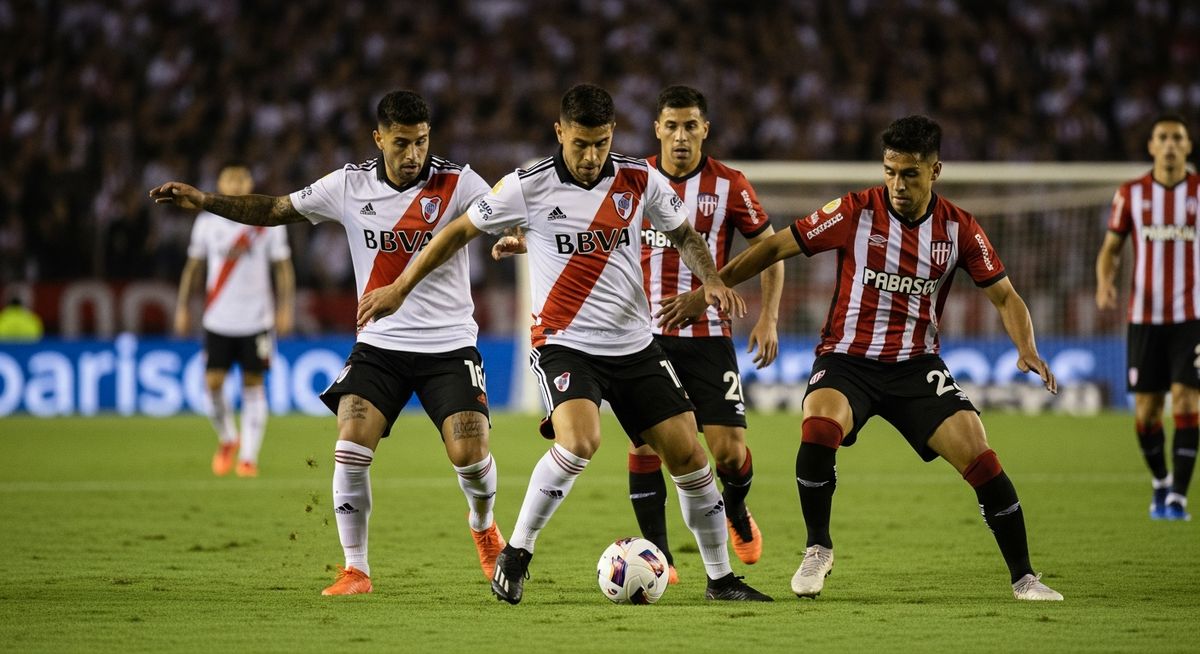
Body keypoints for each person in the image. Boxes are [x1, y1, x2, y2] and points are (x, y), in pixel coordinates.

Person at [358, 83, 773, 604]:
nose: (591, 156)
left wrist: (710, 279)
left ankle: (721, 580)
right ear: (560, 133)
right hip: (565, 342)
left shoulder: (639, 178)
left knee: (690, 454)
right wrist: (399, 288)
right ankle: (516, 554)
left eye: (601, 144)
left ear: (613, 134)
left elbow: (685, 235)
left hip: (634, 343)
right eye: (580, 144)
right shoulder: (526, 186)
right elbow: (458, 231)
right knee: (580, 441)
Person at [660, 115, 1064, 602]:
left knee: (980, 457)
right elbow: (774, 248)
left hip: (917, 365)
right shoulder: (854, 211)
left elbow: (1005, 296)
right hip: (847, 359)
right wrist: (709, 288)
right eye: (890, 172)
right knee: (818, 426)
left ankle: (1024, 578)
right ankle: (818, 547)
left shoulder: (959, 228)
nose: (898, 184)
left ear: (935, 171)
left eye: (910, 174)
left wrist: (1026, 348)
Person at [151, 90, 506, 596]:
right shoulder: (348, 185)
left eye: (422, 142)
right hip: (380, 343)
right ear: (378, 138)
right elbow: (275, 208)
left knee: (469, 453)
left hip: (449, 343)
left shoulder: (459, 182)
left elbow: (503, 211)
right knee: (350, 443)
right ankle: (356, 569)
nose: (413, 155)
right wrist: (206, 202)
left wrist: (510, 235)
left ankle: (484, 527)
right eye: (402, 143)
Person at [625, 85, 784, 583]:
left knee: (728, 452)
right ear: (657, 129)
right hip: (644, 338)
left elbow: (771, 250)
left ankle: (735, 510)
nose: (680, 136)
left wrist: (768, 317)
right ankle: (659, 556)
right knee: (648, 447)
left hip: (710, 336)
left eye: (690, 126)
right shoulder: (632, 180)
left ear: (705, 130)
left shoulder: (730, 185)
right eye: (671, 126)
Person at [1095, 114, 1198, 522]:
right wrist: (1105, 282)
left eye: (1177, 138)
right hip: (1144, 318)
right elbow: (1111, 249)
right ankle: (1160, 481)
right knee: (1147, 412)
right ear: (1152, 146)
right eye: (1163, 138)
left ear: (1187, 147)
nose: (1170, 144)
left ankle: (1178, 499)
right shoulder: (1131, 193)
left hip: (1192, 317)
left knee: (1187, 400)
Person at [175, 164, 295, 478]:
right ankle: (228, 437)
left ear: (251, 182)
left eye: (242, 178)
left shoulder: (268, 221)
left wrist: (286, 308)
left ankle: (248, 457)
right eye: (230, 178)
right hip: (218, 318)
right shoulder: (206, 222)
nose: (236, 184)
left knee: (253, 384)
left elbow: (283, 268)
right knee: (213, 383)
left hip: (257, 320)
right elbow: (194, 266)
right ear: (219, 182)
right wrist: (182, 307)